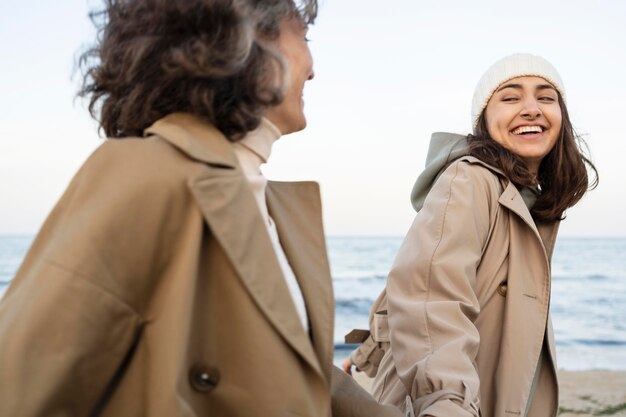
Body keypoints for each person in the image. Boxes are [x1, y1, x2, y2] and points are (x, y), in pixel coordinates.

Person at [0, 1, 402, 416]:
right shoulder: (142, 173)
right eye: (303, 37)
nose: (313, 67)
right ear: (244, 38)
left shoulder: (270, 201)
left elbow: (297, 376)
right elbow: (21, 384)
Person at [342, 53, 598, 417]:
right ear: (484, 120)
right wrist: (449, 403)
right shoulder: (471, 179)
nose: (531, 109)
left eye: (546, 97)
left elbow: (417, 280)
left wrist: (365, 353)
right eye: (510, 98)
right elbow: (431, 297)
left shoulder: (525, 200)